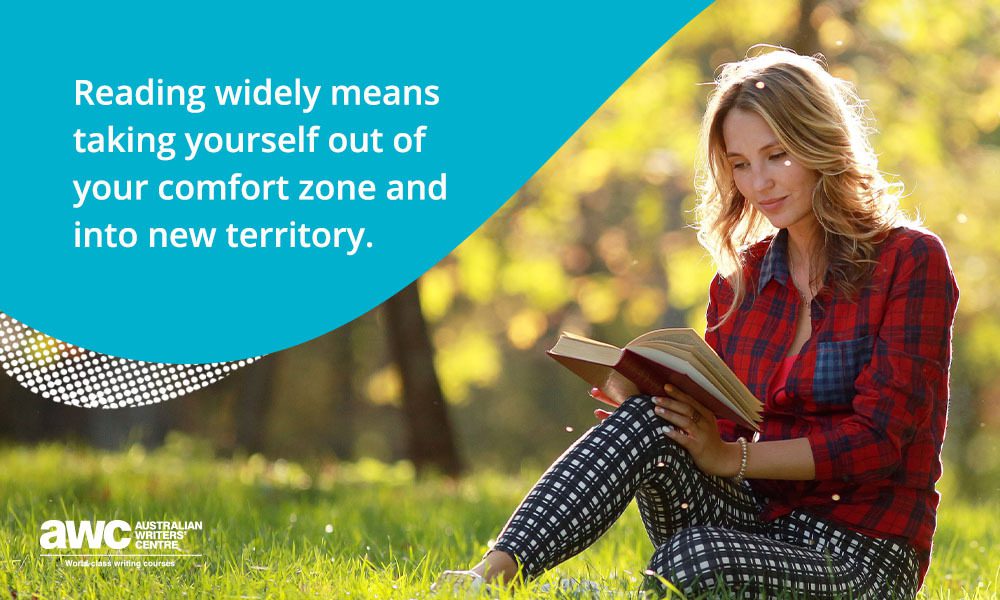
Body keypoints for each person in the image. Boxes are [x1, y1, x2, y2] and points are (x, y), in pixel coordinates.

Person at [435, 47, 959, 599]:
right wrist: (665, 403)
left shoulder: (909, 260)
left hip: (861, 550)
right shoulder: (741, 282)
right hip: (753, 515)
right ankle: (486, 580)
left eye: (777, 155)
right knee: (652, 421)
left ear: (820, 144)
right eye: (739, 163)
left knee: (690, 560)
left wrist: (732, 456)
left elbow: (879, 441)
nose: (759, 183)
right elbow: (723, 430)